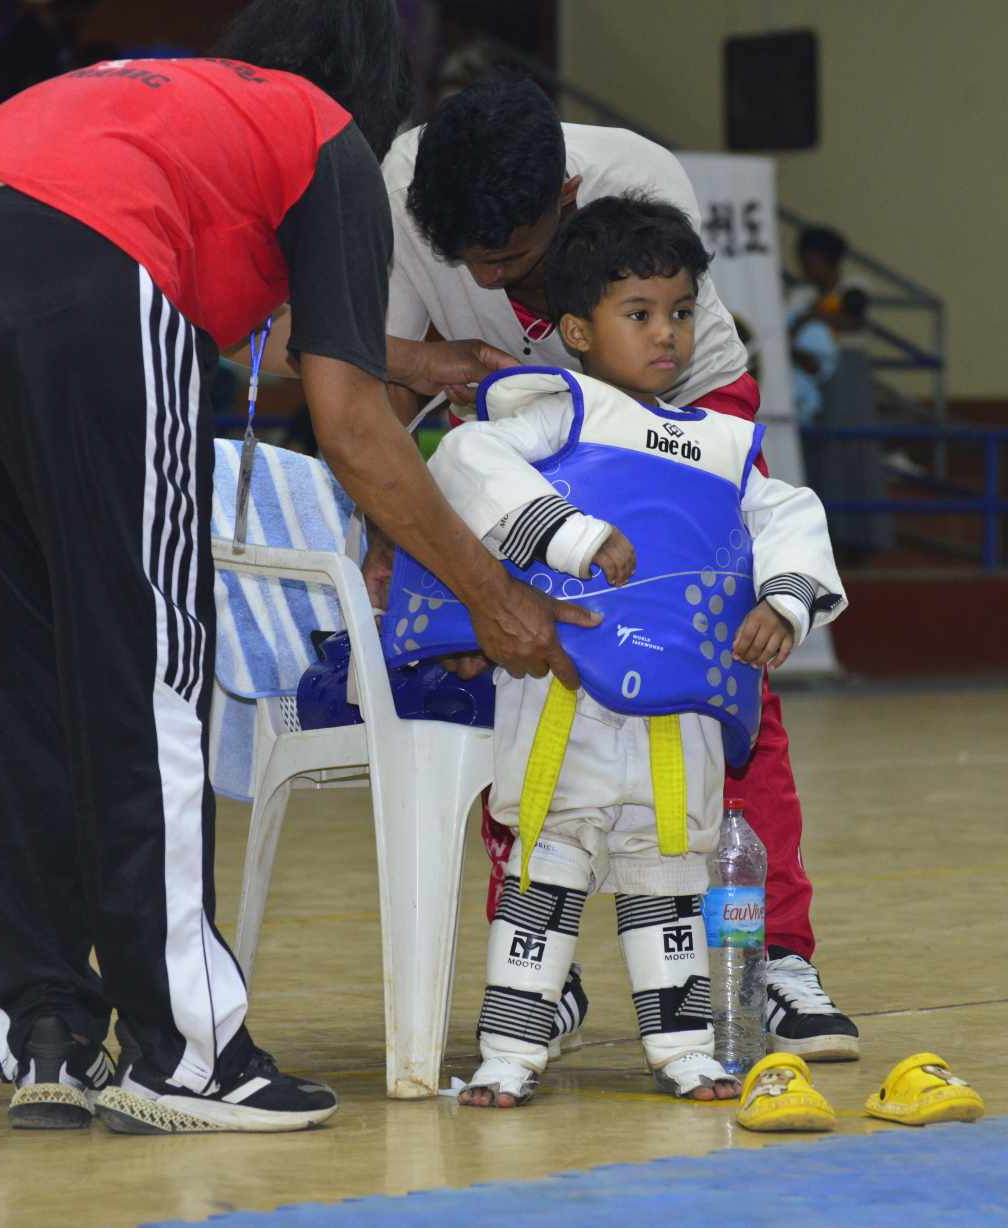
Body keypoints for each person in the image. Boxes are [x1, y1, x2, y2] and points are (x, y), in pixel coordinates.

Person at [0, 0, 597, 1136]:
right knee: (144, 657)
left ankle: (46, 1027)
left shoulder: (157, 93)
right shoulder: (325, 137)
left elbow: (278, 335)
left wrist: (413, 359)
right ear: (371, 99)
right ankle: (186, 1055)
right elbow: (352, 428)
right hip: (84, 262)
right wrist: (494, 596)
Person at [260, 77, 863, 1059]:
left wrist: (780, 592)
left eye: (513, 259)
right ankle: (541, 969)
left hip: (681, 413)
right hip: (516, 423)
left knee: (714, 676)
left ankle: (772, 958)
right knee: (513, 673)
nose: (493, 281)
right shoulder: (404, 187)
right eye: (471, 264)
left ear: (569, 198)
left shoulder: (642, 180)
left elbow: (672, 390)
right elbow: (342, 364)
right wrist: (401, 502)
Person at [392, 195, 844, 1106]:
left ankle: (684, 1052)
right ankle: (508, 1056)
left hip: (678, 719)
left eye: (680, 311)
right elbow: (464, 461)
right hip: (566, 695)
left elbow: (790, 514)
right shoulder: (560, 411)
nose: (666, 334)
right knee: (545, 872)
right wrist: (568, 534)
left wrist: (785, 601)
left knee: (669, 876)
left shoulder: (725, 445)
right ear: (577, 331)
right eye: (638, 313)